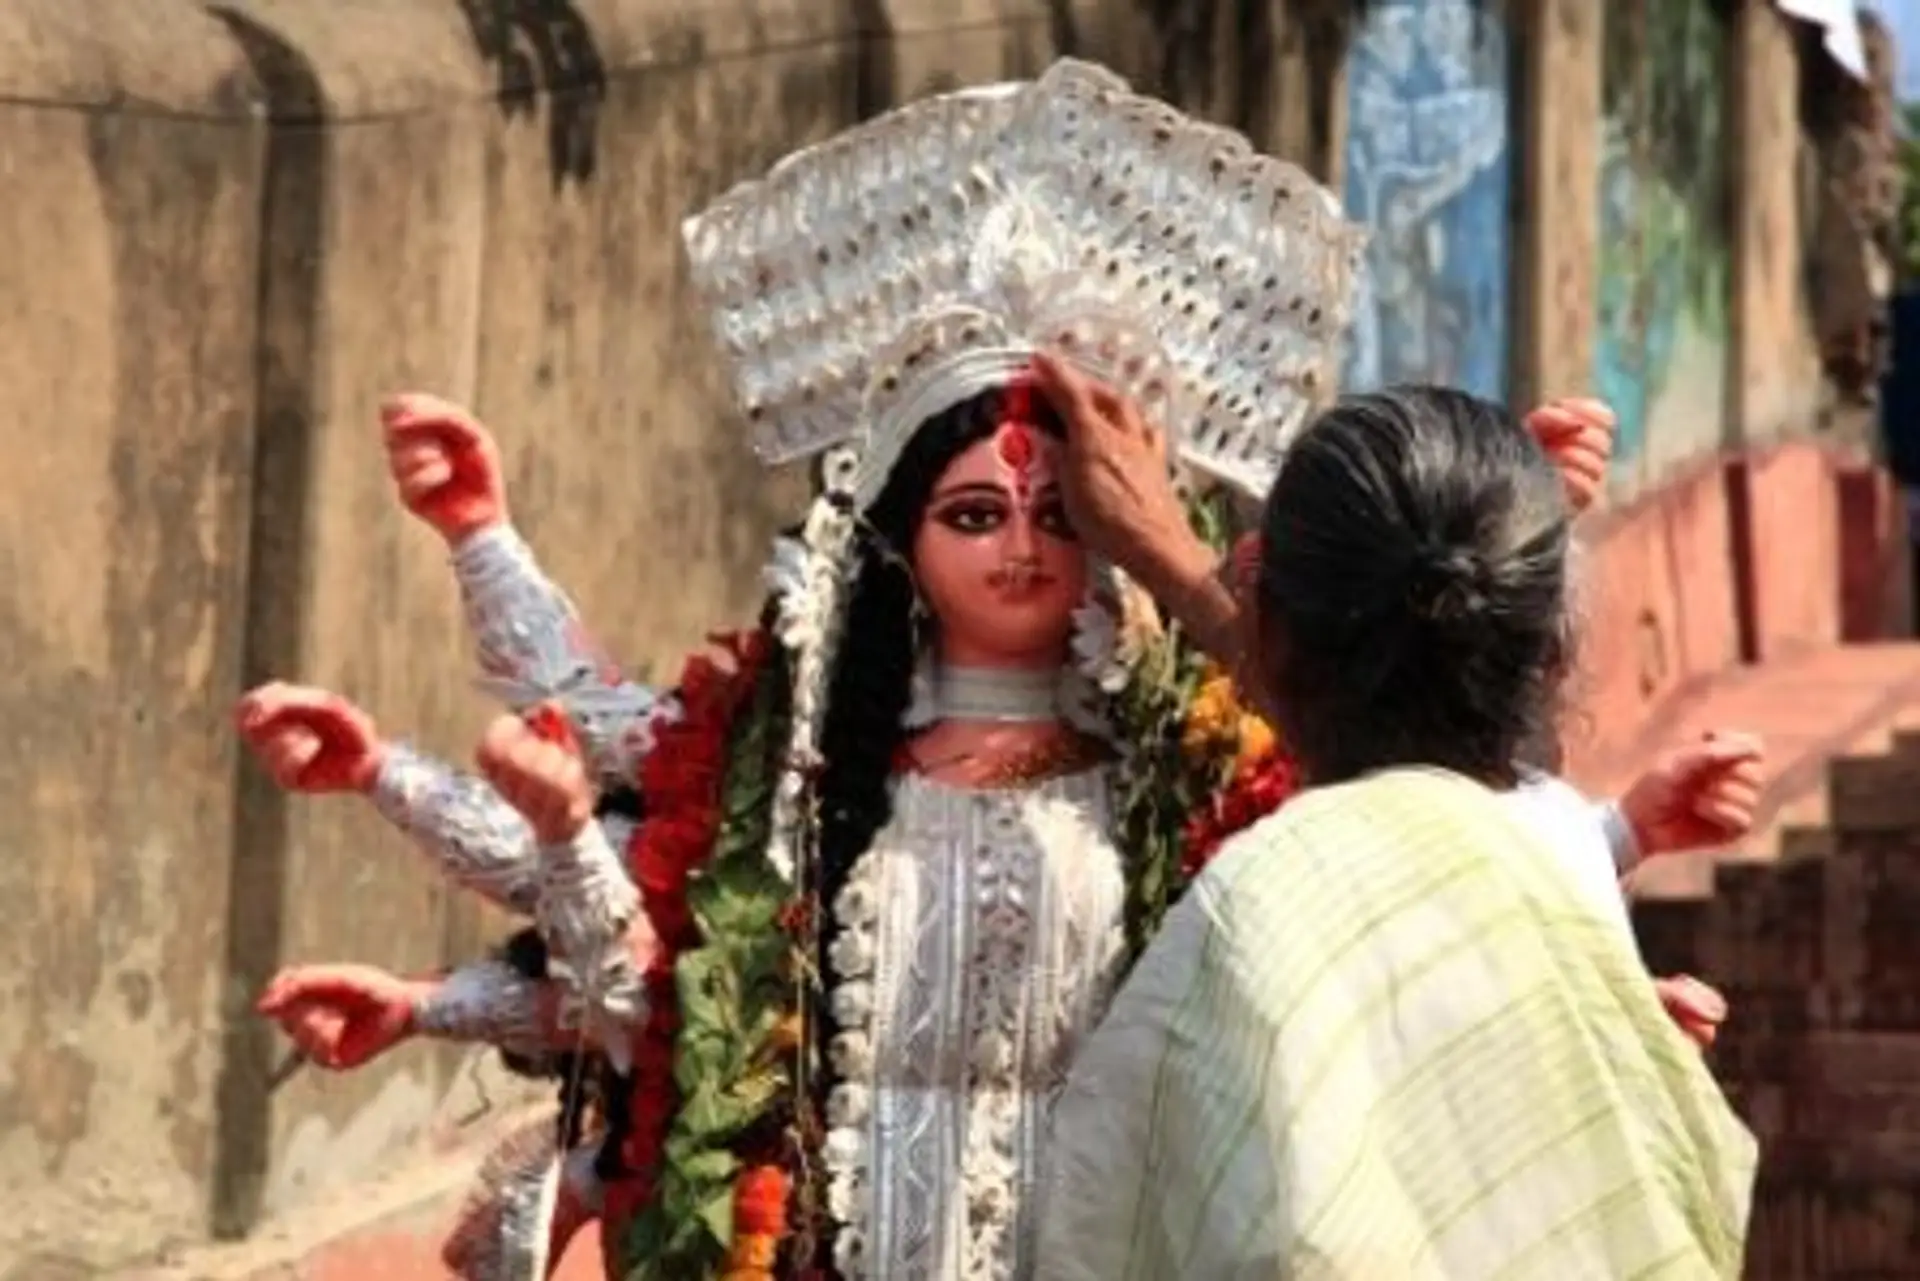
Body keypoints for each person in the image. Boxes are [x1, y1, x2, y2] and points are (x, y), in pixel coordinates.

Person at [234, 62, 1751, 1281]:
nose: (1022, 549)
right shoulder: (799, 767)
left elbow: (1418, 830)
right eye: (973, 512)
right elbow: (640, 940)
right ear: (899, 540)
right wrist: (474, 566)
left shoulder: (1217, 796)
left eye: (1055, 515)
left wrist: (1556, 982)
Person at [1030, 385, 1759, 1280]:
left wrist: (1171, 555)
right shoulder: (1554, 851)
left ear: (1261, 600)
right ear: (1547, 648)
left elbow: (1112, 1226)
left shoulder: (1260, 905)